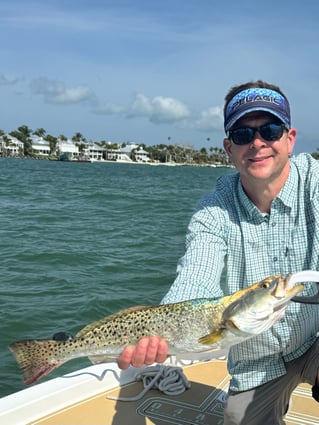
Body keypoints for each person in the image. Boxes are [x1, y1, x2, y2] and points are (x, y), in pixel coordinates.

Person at [117, 80, 319, 425]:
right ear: (228, 147)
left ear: (290, 138)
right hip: (257, 362)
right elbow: (197, 276)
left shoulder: (314, 182)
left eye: (269, 130)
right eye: (242, 135)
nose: (257, 143)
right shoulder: (213, 210)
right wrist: (161, 330)